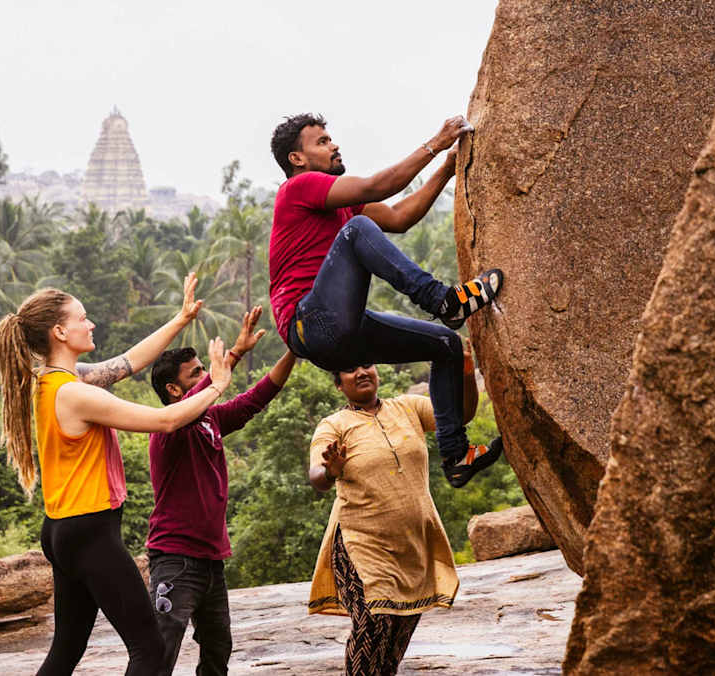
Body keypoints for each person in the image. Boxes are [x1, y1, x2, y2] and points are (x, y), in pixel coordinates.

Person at [0, 273, 234, 676]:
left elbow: (130, 363)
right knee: (150, 648)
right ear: (59, 331)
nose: (91, 324)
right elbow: (167, 420)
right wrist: (216, 386)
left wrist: (180, 319)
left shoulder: (53, 381)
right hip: (89, 532)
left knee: (67, 649)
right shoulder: (76, 392)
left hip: (62, 530)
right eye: (82, 318)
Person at [268, 112, 502, 487]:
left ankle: (456, 455)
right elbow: (379, 186)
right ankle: (444, 301)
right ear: (297, 159)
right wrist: (435, 144)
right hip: (307, 323)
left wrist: (446, 169)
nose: (334, 145)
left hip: (340, 335)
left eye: (331, 139)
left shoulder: (338, 203)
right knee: (357, 230)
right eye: (322, 142)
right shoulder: (299, 188)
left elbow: (398, 216)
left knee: (446, 345)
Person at [306, 341, 496, 675]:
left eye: (366, 363)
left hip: (412, 545)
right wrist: (331, 470)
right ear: (339, 384)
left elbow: (460, 414)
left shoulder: (408, 407)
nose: (362, 371)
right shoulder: (333, 425)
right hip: (360, 544)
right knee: (374, 624)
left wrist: (466, 370)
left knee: (396, 638)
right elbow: (316, 476)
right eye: (351, 369)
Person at [145, 306, 297, 675]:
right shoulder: (166, 430)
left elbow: (257, 397)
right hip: (175, 557)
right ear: (173, 389)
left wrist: (296, 349)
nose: (204, 377)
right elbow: (199, 398)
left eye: (203, 370)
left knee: (218, 651)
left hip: (212, 560)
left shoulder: (210, 419)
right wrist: (231, 358)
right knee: (160, 651)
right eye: (195, 374)